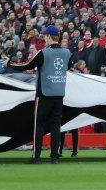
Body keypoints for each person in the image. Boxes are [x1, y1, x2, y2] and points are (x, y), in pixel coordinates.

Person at [7, 24, 71, 163]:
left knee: (39, 124)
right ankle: (54, 156)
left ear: (49, 37)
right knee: (56, 125)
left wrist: (9, 63)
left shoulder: (43, 52)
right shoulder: (67, 52)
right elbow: (69, 66)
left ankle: (36, 156)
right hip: (59, 93)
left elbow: (26, 66)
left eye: (45, 36)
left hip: (44, 94)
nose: (44, 39)